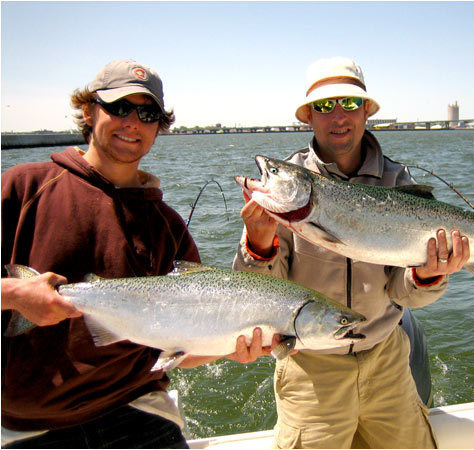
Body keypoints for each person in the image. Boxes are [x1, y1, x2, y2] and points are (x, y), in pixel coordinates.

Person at [1, 59, 275, 448]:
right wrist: (13, 295)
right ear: (87, 110)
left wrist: (230, 346)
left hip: (136, 408)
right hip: (31, 424)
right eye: (118, 107)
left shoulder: (168, 225)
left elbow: (181, 346)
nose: (132, 121)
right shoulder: (22, 188)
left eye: (147, 113)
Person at [233, 56, 471, 448]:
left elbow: (402, 293)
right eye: (325, 106)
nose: (338, 116)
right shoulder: (290, 186)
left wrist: (430, 274)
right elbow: (258, 297)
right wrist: (259, 245)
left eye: (349, 103)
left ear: (366, 112)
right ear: (309, 117)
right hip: (311, 368)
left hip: (387, 360)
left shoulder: (397, 182)